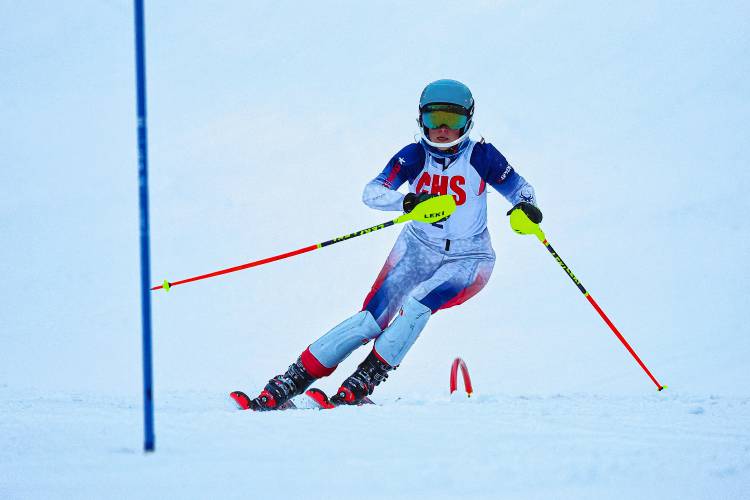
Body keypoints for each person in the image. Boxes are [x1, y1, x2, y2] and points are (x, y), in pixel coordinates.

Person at [246, 79, 541, 410]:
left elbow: (521, 190)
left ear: (468, 121)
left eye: (452, 120)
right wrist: (407, 203)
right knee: (369, 320)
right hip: (417, 249)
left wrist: (525, 208)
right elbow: (372, 191)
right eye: (434, 120)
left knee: (417, 305)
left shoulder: (482, 156)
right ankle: (291, 380)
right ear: (421, 120)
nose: (443, 130)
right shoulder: (414, 156)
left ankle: (364, 379)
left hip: (469, 257)